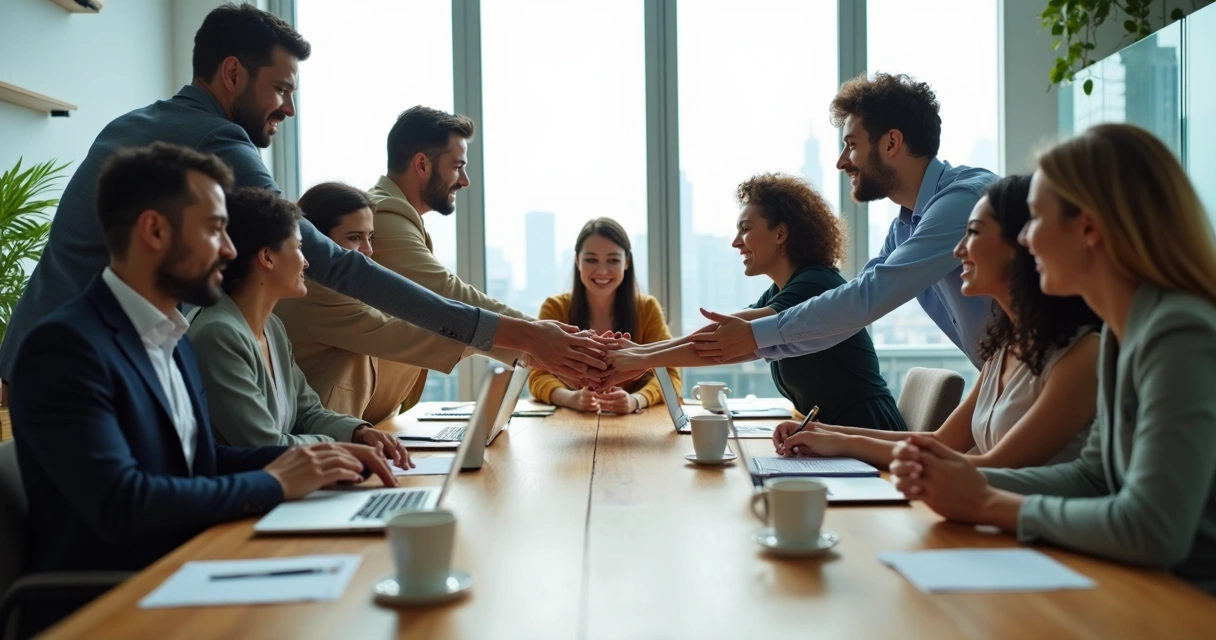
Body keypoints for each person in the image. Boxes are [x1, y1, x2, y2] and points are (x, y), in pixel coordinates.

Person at [0, 3, 604, 391]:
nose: (289, 108)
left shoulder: (136, 123)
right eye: (282, 89)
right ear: (232, 74)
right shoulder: (218, 139)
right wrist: (524, 336)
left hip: (42, 357)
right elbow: (332, 263)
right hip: (80, 374)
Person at [8, 143, 397, 635]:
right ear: (154, 230)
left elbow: (199, 461)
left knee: (361, 588)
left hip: (190, 568)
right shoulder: (66, 348)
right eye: (215, 230)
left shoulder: (172, 337)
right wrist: (276, 480)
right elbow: (123, 505)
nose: (231, 250)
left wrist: (321, 461)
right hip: (115, 601)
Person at [889, 124, 1216, 594]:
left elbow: (1152, 529)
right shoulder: (1124, 333)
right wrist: (961, 480)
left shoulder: (1178, 332)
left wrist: (984, 502)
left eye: (1035, 221)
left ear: (1087, 228)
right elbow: (1092, 476)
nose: (1025, 241)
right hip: (1141, 588)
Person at [772, 175, 1099, 466]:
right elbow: (941, 442)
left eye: (972, 233)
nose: (958, 251)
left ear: (1019, 244)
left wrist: (843, 443)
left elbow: (993, 468)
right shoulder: (1003, 350)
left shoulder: (1082, 356)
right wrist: (828, 436)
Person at [688, 73, 999, 371]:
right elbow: (847, 316)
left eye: (851, 144)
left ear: (891, 143)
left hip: (1037, 381)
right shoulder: (904, 229)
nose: (841, 161)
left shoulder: (962, 202)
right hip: (1009, 382)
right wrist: (754, 342)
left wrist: (756, 337)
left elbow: (865, 299)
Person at [604, 174, 905, 429]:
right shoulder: (780, 291)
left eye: (745, 229)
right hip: (832, 435)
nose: (736, 241)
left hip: (868, 430)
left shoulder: (815, 284)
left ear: (780, 234)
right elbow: (726, 341)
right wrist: (641, 353)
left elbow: (721, 341)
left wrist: (642, 358)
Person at [186, 188, 410, 468]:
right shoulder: (218, 334)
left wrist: (360, 433)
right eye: (300, 247)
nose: (306, 261)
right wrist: (344, 448)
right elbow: (264, 446)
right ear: (267, 257)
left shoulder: (272, 327)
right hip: (248, 502)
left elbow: (307, 412)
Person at [276, 182, 510, 423]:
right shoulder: (315, 293)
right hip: (321, 443)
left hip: (348, 436)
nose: (368, 250)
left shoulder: (343, 291)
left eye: (370, 237)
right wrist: (514, 338)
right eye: (355, 237)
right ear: (318, 242)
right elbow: (407, 335)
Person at [529, 218, 679, 414]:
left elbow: (670, 375)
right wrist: (572, 398)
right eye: (591, 259)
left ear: (627, 262)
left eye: (613, 260)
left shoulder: (647, 308)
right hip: (571, 423)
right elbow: (537, 375)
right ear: (577, 261)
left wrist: (635, 400)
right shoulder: (556, 308)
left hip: (636, 425)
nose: (602, 271)